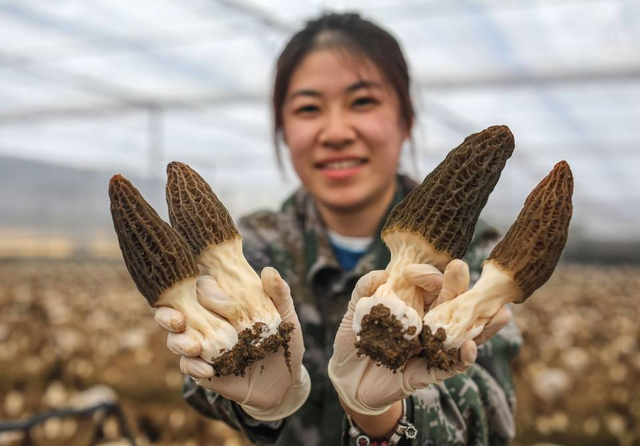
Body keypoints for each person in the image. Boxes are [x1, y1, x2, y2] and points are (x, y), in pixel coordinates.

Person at [153, 12, 522, 446]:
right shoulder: (252, 246)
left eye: (362, 101)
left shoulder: (475, 257)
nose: (335, 132)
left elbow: (493, 418)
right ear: (283, 131)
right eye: (309, 108)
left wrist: (381, 413)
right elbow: (197, 375)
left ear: (405, 119)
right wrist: (256, 402)